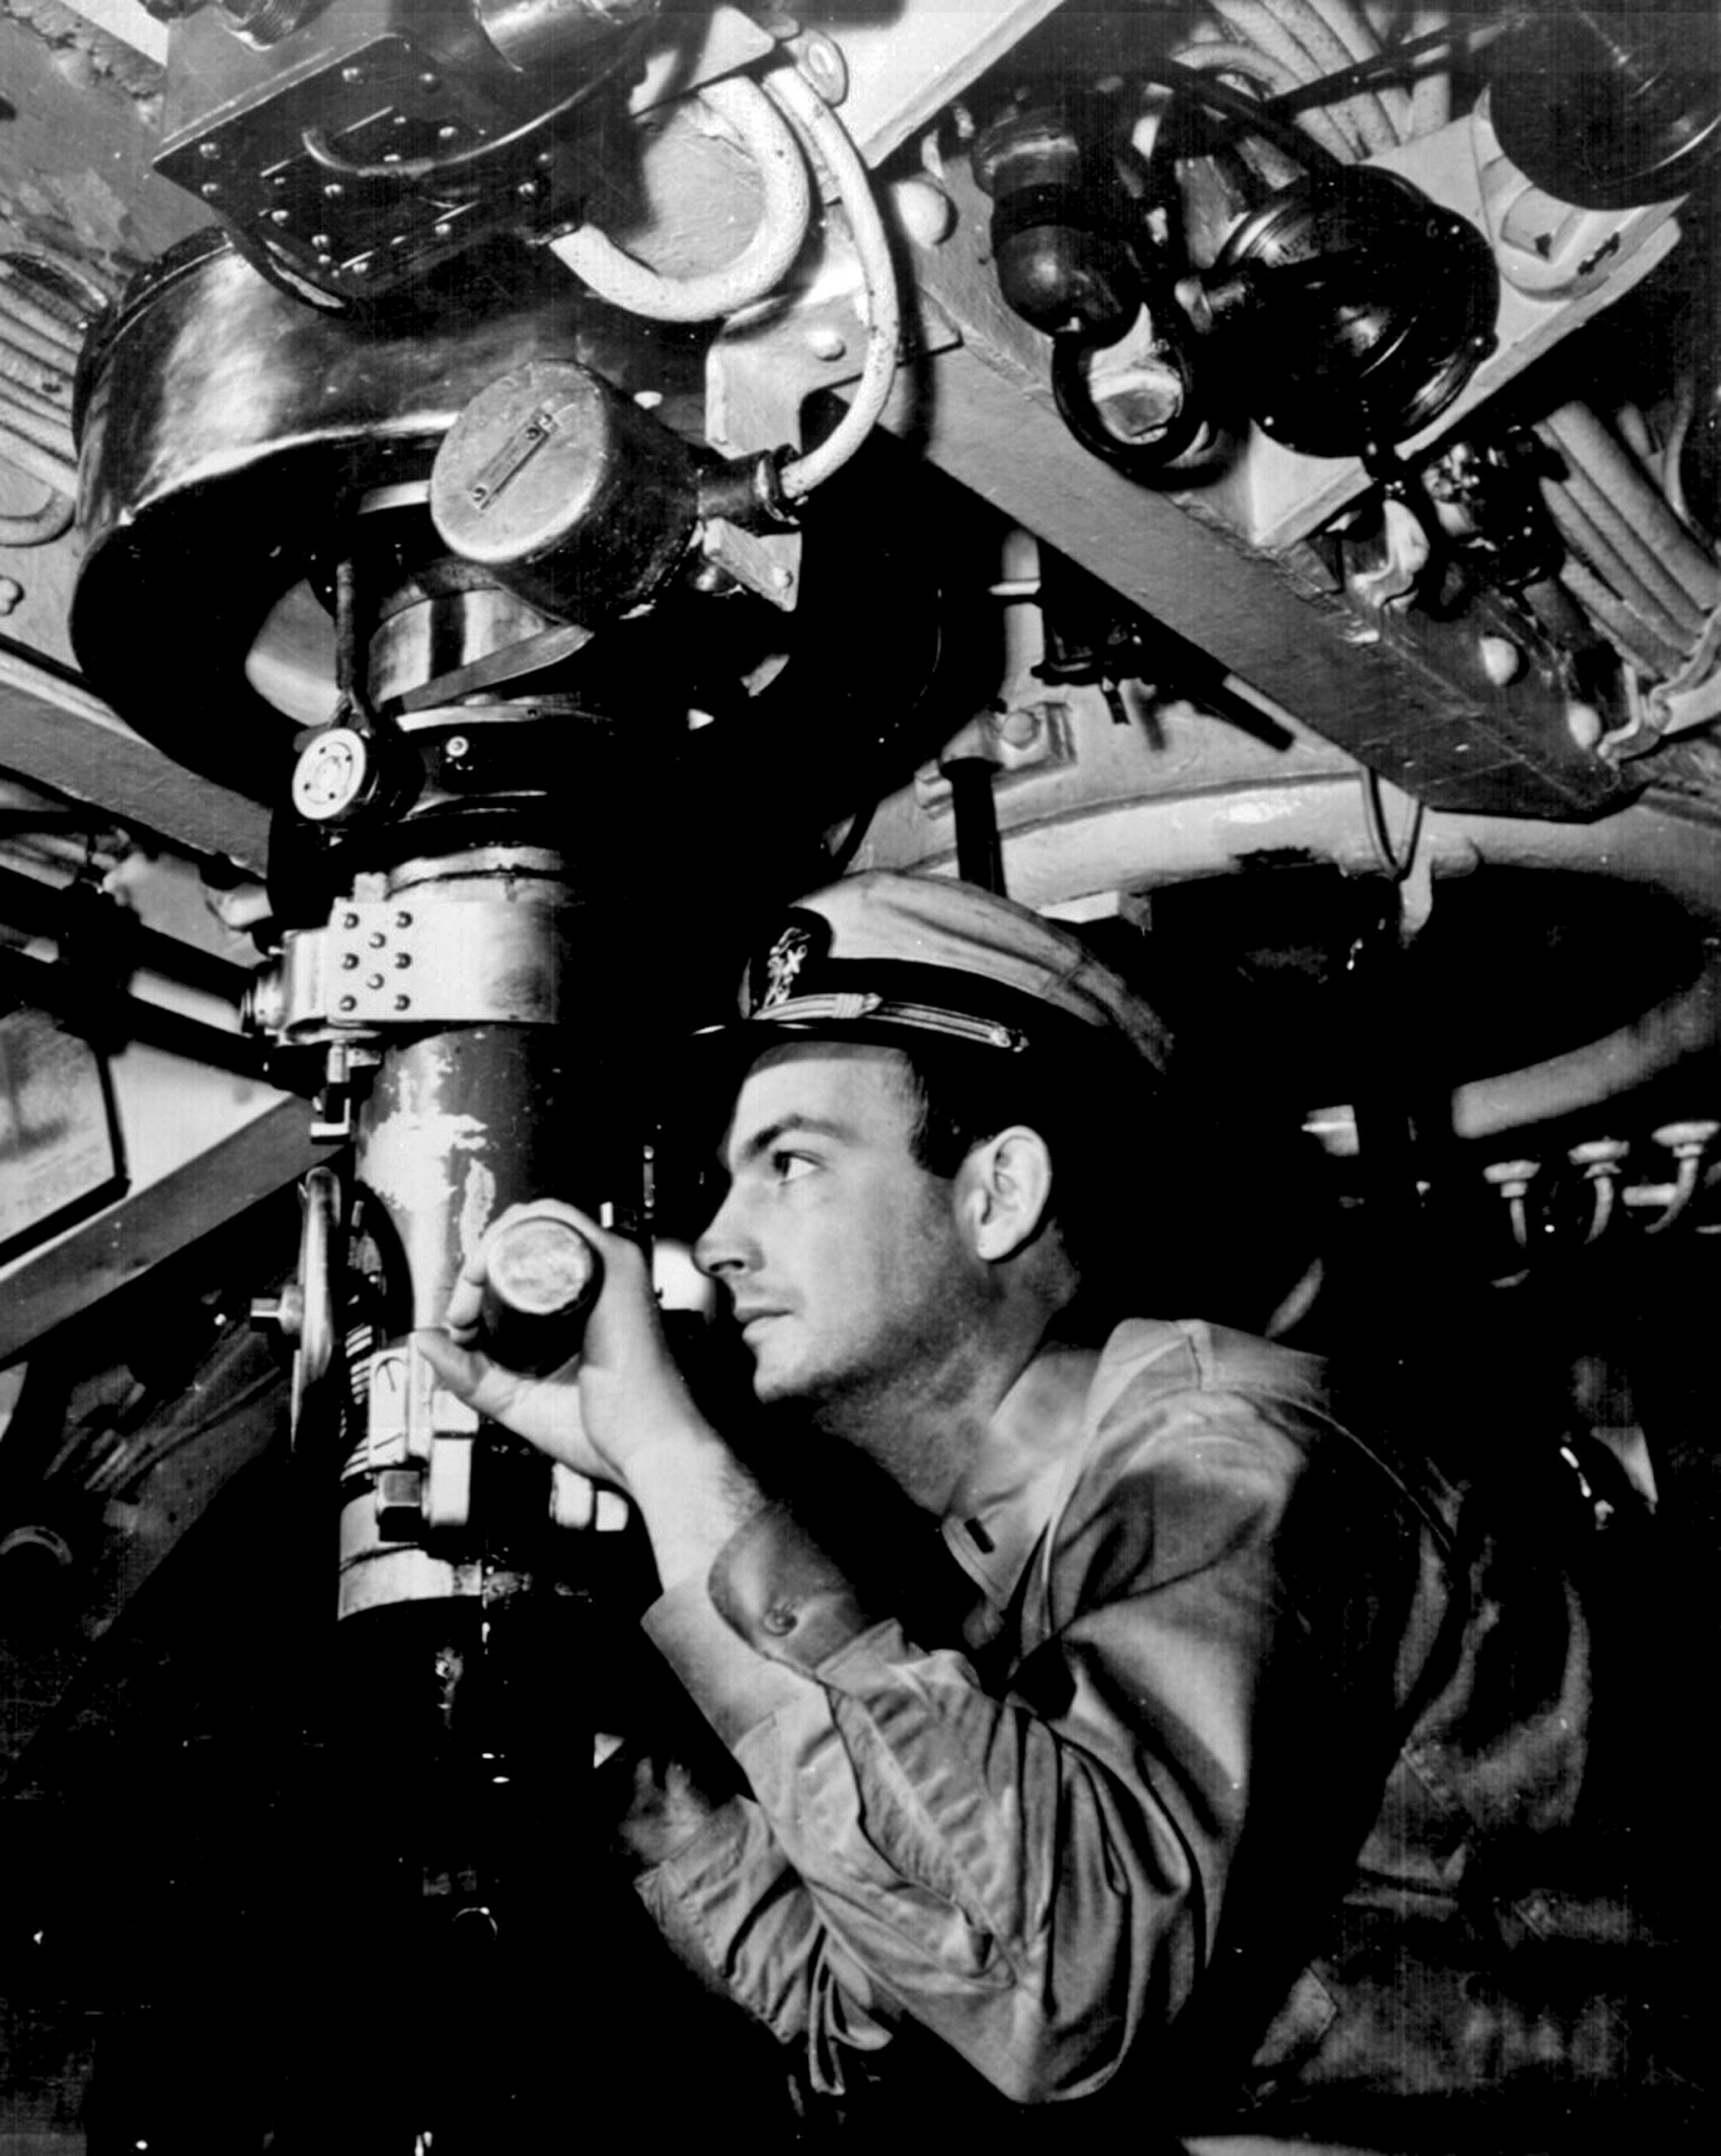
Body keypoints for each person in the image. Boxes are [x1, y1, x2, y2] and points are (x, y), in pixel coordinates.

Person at [416, 871, 1700, 2149]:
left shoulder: (1238, 1461)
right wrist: (610, 1750)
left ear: (998, 1195)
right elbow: (872, 2026)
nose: (725, 1238)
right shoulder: (982, 1594)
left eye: (790, 1164)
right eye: (725, 1181)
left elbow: (1059, 1985)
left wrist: (665, 1446)